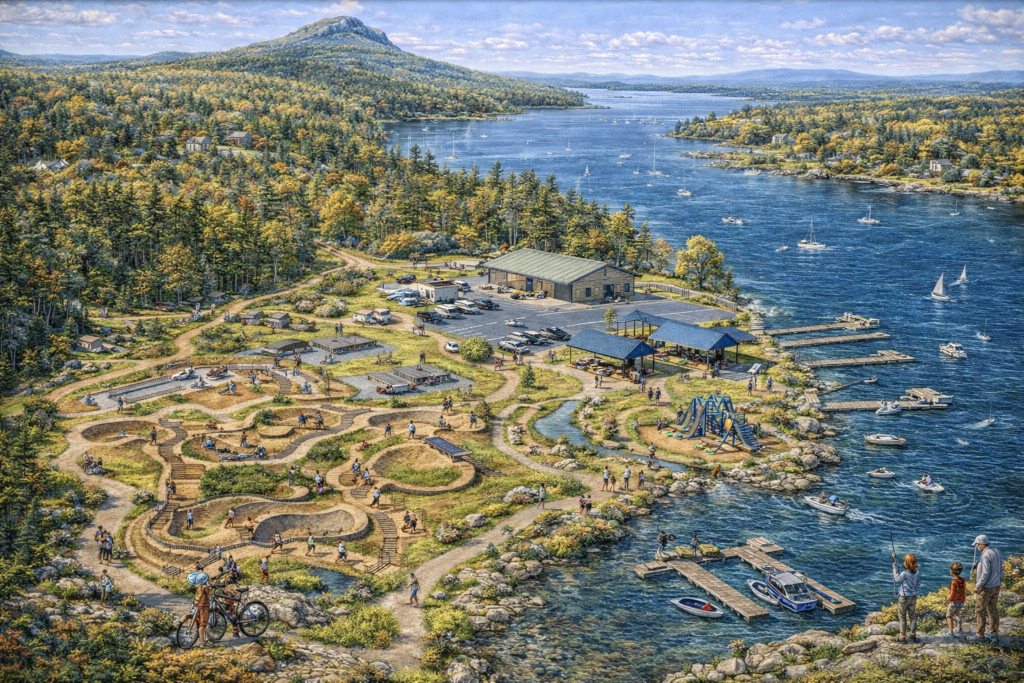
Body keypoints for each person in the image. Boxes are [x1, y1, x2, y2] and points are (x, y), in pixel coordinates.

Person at [972, 534, 1003, 641]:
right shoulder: (997, 552)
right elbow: (1001, 568)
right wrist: (999, 580)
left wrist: (978, 586)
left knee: (980, 611)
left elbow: (985, 573)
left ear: (981, 544)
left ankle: (980, 635)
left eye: (977, 545)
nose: (977, 547)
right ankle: (994, 634)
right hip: (996, 585)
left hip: (986, 588)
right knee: (993, 609)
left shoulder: (985, 556)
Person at [892, 552, 921, 643]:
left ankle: (902, 637)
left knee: (902, 617)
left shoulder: (904, 574)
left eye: (904, 561)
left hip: (904, 598)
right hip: (913, 597)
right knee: (912, 616)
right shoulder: (917, 573)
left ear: (906, 564)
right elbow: (918, 583)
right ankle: (913, 634)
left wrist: (895, 568)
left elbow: (896, 579)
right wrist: (895, 559)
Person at [945, 562, 966, 637]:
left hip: (954, 602)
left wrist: (947, 601)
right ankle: (959, 629)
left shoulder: (954, 582)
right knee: (957, 615)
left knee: (949, 616)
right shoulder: (963, 580)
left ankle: (951, 632)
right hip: (961, 601)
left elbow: (952, 594)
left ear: (952, 572)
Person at [193, 573, 212, 647]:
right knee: (203, 624)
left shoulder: (199, 587)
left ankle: (204, 640)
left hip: (200, 606)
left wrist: (195, 602)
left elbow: (198, 596)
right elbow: (209, 593)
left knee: (201, 624)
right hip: (204, 606)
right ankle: (202, 642)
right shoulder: (205, 587)